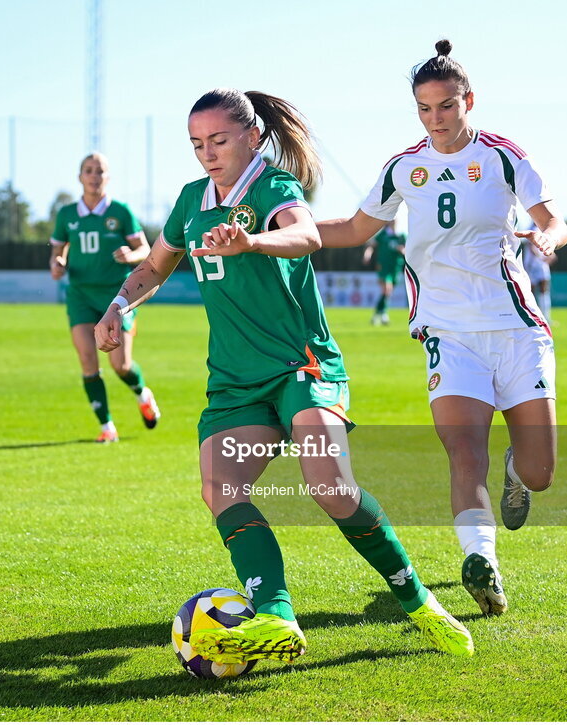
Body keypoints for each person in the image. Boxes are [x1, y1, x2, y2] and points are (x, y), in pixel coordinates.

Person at [96, 88, 473, 664]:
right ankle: (275, 615)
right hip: (235, 381)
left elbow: (307, 234)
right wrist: (120, 306)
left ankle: (420, 603)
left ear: (251, 136)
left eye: (219, 140)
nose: (207, 154)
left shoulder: (272, 186)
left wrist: (253, 241)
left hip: (302, 367)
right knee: (220, 489)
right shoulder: (192, 200)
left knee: (329, 486)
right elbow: (154, 264)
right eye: (197, 144)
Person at [317, 40, 567, 616]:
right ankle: (483, 561)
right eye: (425, 109)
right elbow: (356, 228)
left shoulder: (505, 156)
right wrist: (280, 234)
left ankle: (517, 473)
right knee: (463, 451)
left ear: (468, 101)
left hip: (516, 330)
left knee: (540, 471)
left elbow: (552, 220)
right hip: (447, 334)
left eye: (447, 107)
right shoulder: (403, 168)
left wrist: (550, 237)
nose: (436, 120)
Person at [49, 152, 161, 443]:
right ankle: (107, 427)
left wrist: (130, 254)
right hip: (81, 296)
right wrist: (57, 265)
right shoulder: (67, 215)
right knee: (88, 360)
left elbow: (145, 251)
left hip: (117, 297)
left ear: (107, 178)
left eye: (100, 171)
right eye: (88, 170)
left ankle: (142, 394)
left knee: (120, 365)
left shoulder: (120, 212)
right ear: (80, 176)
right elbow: (57, 252)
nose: (94, 176)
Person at [362, 218, 406, 325]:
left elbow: (406, 251)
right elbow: (371, 246)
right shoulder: (383, 235)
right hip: (383, 267)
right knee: (387, 289)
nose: (393, 221)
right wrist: (367, 255)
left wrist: (401, 250)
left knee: (387, 292)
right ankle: (384, 314)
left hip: (395, 267)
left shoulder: (401, 236)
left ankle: (377, 314)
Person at [521, 235, 555, 322]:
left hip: (542, 266)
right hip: (531, 266)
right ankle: (531, 317)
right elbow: (532, 247)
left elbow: (549, 246)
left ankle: (546, 317)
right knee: (529, 292)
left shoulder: (544, 230)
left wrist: (551, 255)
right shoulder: (532, 229)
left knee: (544, 291)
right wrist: (541, 257)